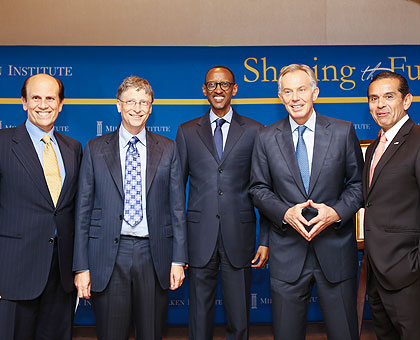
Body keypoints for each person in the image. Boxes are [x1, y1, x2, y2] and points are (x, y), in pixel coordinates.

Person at [249, 64, 364, 340]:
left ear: (316, 92)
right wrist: (285, 213)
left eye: (302, 89)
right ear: (280, 97)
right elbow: (258, 188)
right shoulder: (265, 138)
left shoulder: (342, 131)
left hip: (335, 253)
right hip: (287, 254)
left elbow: (359, 185)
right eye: (287, 91)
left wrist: (335, 212)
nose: (295, 97)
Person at [73, 76, 187, 340]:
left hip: (154, 253)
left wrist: (178, 259)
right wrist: (81, 267)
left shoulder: (168, 149)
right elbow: (83, 212)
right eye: (131, 101)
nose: (137, 108)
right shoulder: (94, 149)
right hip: (108, 256)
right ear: (118, 105)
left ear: (150, 108)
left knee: (151, 333)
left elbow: (177, 209)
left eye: (143, 102)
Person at [176, 65, 269, 340]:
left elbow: (263, 189)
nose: (218, 90)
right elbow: (175, 191)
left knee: (239, 318)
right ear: (204, 90)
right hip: (198, 238)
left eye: (225, 84)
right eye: (212, 85)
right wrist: (179, 248)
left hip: (239, 237)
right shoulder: (186, 131)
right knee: (199, 319)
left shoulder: (255, 131)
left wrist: (264, 238)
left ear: (235, 89)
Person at [0, 74, 82, 340]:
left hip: (61, 276)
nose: (43, 105)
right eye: (36, 97)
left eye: (50, 98)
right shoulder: (3, 144)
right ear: (23, 102)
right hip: (13, 274)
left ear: (61, 104)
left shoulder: (73, 149)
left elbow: (74, 210)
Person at [363, 71, 420, 340]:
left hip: (409, 275)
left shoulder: (418, 141)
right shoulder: (376, 146)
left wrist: (415, 264)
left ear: (407, 100)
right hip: (377, 272)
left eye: (388, 96)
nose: (380, 105)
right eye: (374, 98)